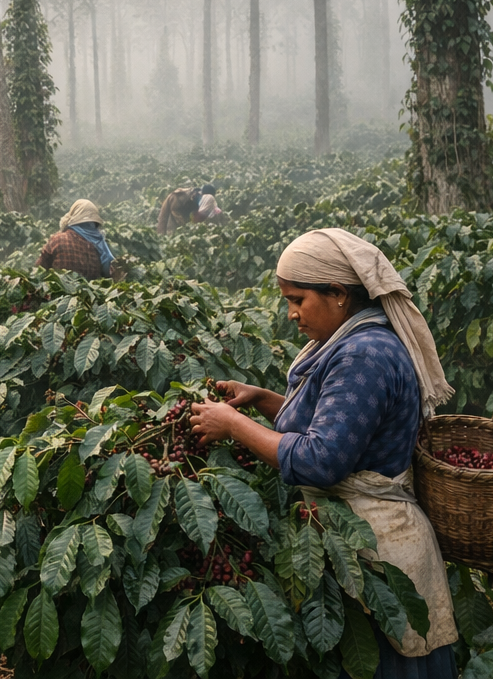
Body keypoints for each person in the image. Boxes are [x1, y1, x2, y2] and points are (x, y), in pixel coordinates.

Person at [189, 227, 459, 679]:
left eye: (298, 300)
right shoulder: (351, 340)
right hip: (351, 536)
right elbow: (336, 425)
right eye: (287, 302)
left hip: (375, 549)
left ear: (337, 293)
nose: (292, 314)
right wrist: (262, 399)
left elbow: (321, 458)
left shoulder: (364, 355)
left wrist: (235, 426)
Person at [37, 199, 115, 279]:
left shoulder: (57, 239)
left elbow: (39, 269)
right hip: (88, 291)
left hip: (58, 289)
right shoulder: (100, 247)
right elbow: (108, 274)